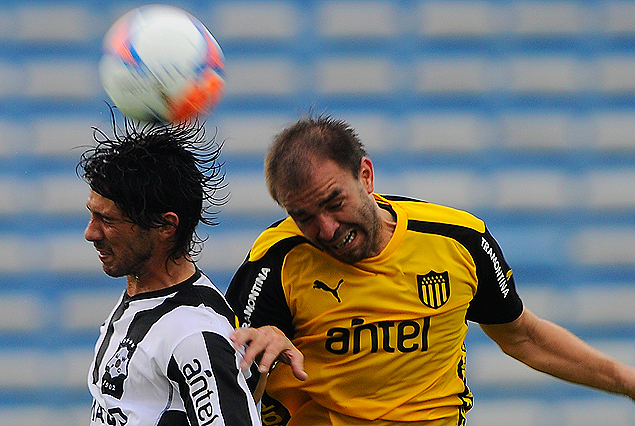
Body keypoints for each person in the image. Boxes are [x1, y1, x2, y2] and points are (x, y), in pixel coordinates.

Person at [225, 114, 635, 426]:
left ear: (365, 176)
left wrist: (626, 380)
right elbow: (230, 382)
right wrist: (262, 349)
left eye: (334, 202)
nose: (326, 229)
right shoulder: (277, 259)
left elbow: (524, 337)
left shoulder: (458, 240)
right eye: (304, 216)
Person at [77, 116, 260, 426]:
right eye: (92, 215)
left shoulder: (192, 334)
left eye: (107, 220)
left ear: (165, 226)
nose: (90, 233)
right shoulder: (142, 298)